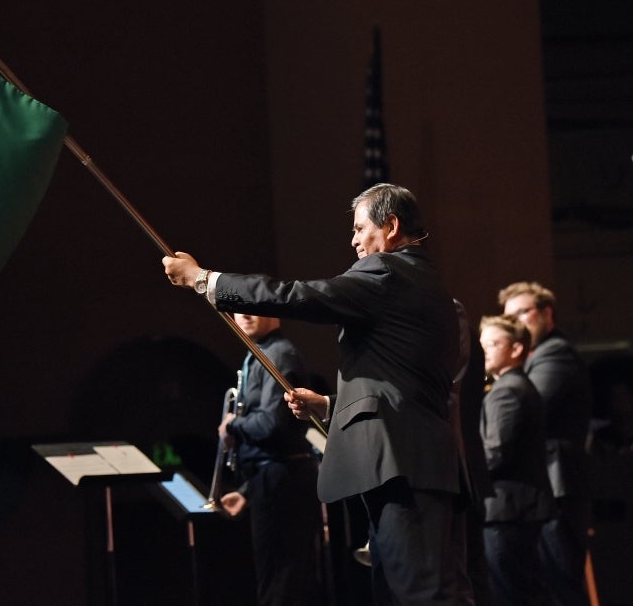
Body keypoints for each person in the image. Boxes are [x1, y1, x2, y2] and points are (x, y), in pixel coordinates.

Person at [163, 183, 464, 605]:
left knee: (420, 594)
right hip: (418, 460)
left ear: (391, 226)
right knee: (405, 592)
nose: (354, 240)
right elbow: (404, 385)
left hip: (402, 463)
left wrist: (203, 280)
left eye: (360, 229)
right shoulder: (425, 280)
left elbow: (300, 295)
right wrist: (329, 406)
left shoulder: (388, 272)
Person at [498, 281, 591, 606]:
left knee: (561, 582)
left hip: (559, 484)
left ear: (546, 313)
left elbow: (526, 408)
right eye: (510, 316)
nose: (517, 322)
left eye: (523, 312)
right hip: (546, 487)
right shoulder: (535, 357)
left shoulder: (556, 354)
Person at [217, 313, 320, 606]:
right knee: (276, 579)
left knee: (281, 584)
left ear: (274, 313)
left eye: (253, 306)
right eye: (238, 308)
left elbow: (271, 425)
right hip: (268, 480)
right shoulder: (259, 353)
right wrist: (248, 492)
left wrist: (231, 425)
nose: (244, 315)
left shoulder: (278, 354)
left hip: (283, 483)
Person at [478, 315, 555, 605]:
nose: (484, 351)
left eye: (493, 343)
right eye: (482, 344)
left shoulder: (506, 391)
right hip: (519, 508)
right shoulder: (518, 385)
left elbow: (494, 454)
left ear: (516, 349)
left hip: (507, 509)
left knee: (511, 593)